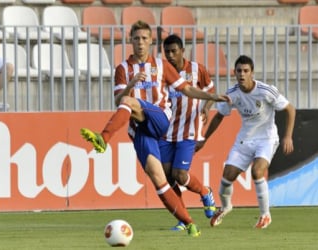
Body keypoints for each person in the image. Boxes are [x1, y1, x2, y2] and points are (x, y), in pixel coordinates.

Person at [80, 20, 230, 237]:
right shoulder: (123, 69)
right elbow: (118, 100)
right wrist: (131, 84)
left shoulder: (161, 66)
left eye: (144, 38)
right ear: (130, 41)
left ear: (150, 41)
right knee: (159, 177)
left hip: (160, 119)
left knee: (133, 105)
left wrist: (211, 97)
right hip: (140, 129)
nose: (140, 42)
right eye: (136, 38)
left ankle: (103, 138)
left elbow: (187, 89)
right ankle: (188, 223)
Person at [203, 55, 296, 229]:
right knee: (226, 177)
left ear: (252, 73)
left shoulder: (265, 91)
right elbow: (219, 118)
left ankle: (265, 215)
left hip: (267, 139)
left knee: (257, 171)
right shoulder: (232, 94)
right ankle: (226, 207)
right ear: (234, 73)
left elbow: (290, 109)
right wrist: (204, 139)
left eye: (246, 71)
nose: (242, 74)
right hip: (245, 140)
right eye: (239, 71)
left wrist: (288, 136)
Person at [159, 34, 216, 231]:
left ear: (183, 51)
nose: (170, 55)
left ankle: (205, 191)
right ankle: (183, 219)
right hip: (167, 132)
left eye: (174, 51)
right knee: (168, 177)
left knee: (180, 174)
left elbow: (211, 90)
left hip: (189, 130)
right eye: (167, 52)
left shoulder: (196, 69)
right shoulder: (162, 72)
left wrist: (207, 107)